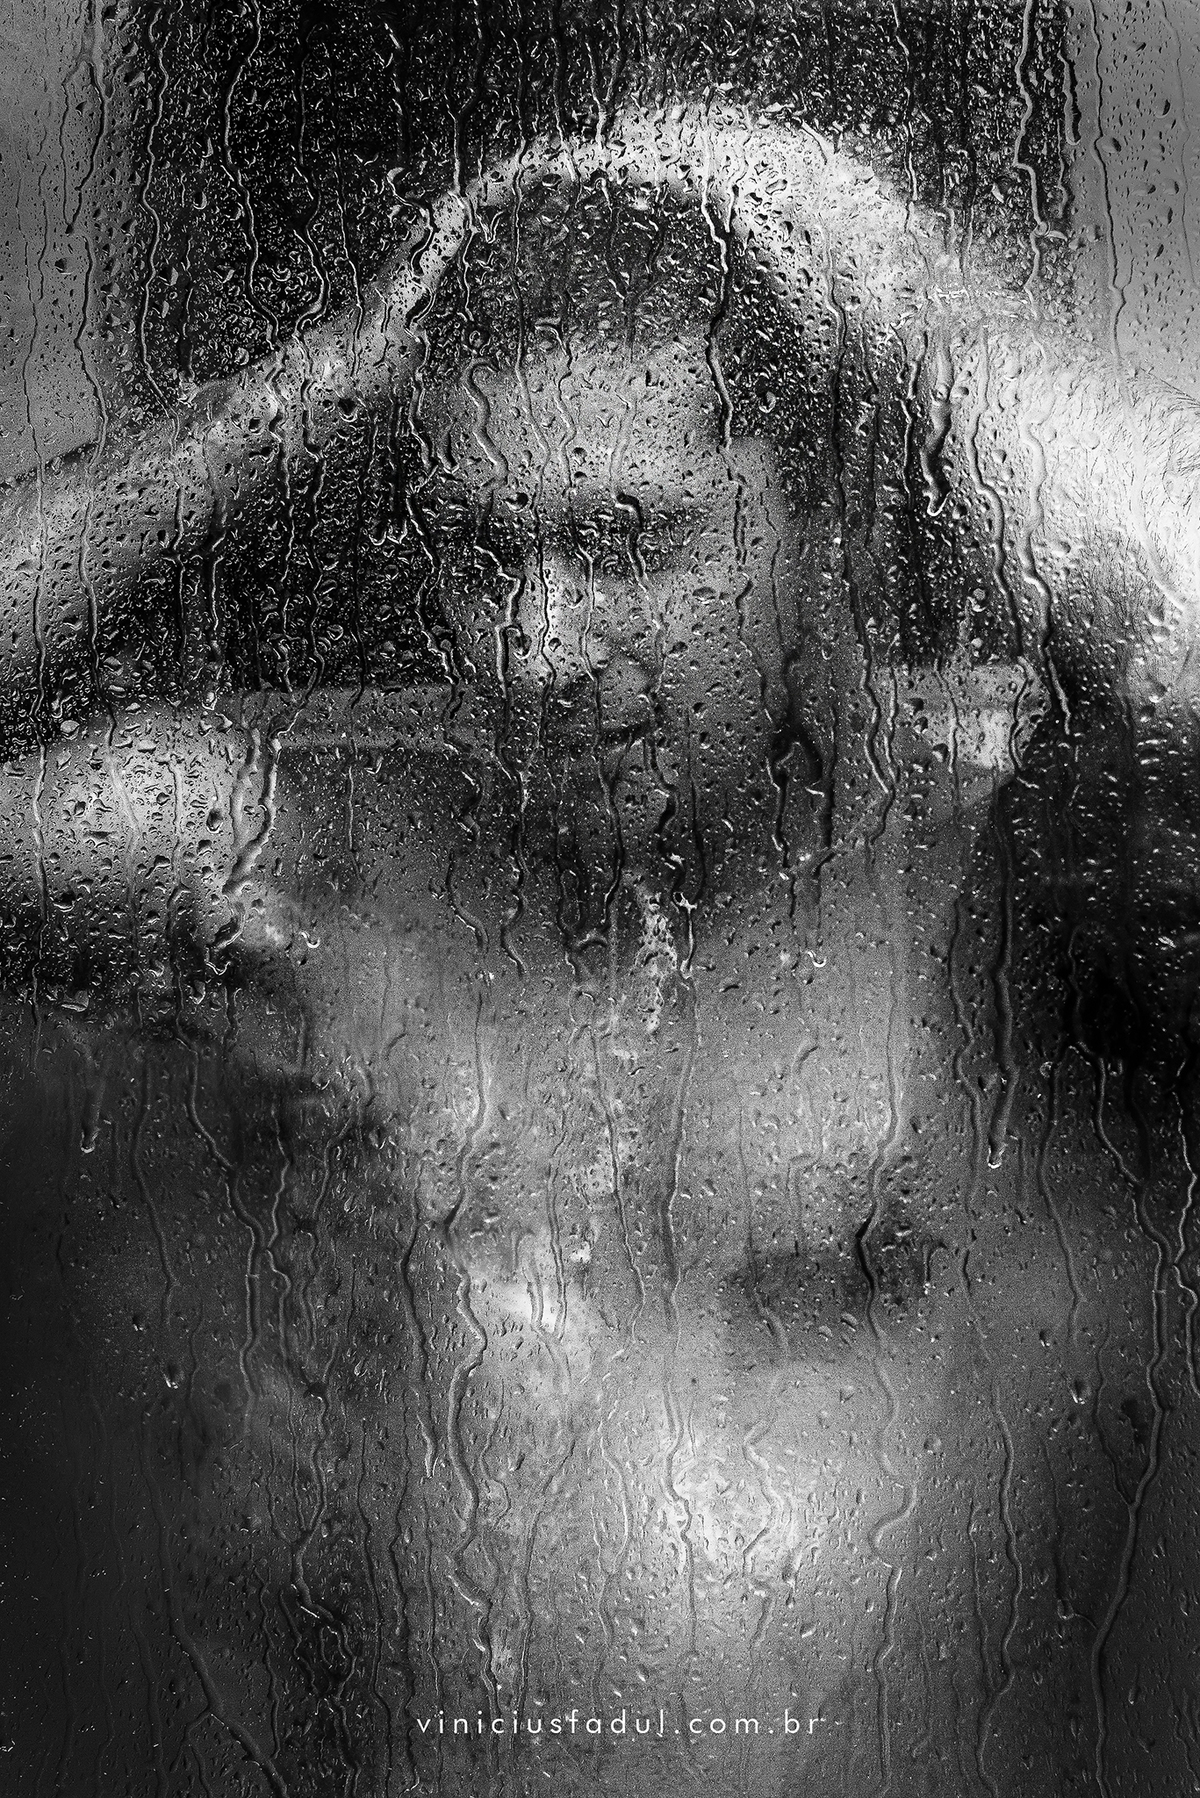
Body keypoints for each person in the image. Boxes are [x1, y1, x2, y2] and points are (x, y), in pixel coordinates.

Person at [3, 7, 1200, 1797]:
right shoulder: (327, 878)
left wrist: (902, 303)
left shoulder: (1015, 916)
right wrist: (334, 376)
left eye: (632, 541)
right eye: (483, 548)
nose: (538, 645)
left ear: (836, 513)